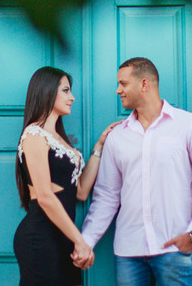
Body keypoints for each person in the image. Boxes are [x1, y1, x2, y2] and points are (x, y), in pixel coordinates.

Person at [78, 57, 192, 286]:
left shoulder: (189, 126)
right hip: (128, 253)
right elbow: (106, 195)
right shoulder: (118, 137)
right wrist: (86, 240)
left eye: (123, 84)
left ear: (144, 84)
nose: (118, 90)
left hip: (175, 250)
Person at [15, 66, 118, 285]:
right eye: (65, 90)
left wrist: (99, 147)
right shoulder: (34, 134)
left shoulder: (59, 139)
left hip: (63, 238)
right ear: (47, 91)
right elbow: (44, 196)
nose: (71, 97)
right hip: (40, 237)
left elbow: (80, 192)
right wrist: (80, 241)